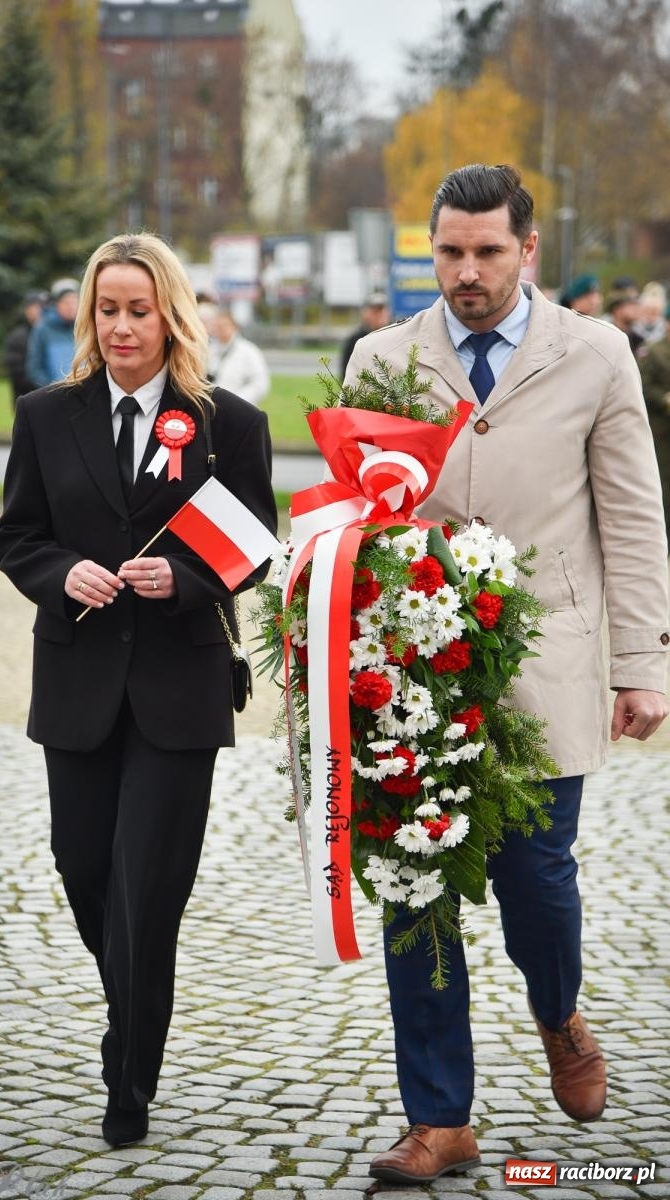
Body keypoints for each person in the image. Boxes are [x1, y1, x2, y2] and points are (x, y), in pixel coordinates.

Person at [345, 163, 669, 1188]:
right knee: (417, 894)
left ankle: (558, 1009)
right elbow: (355, 523)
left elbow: (631, 519)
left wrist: (642, 664)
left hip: (548, 665)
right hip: (414, 676)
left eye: (488, 251)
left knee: (537, 881)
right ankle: (440, 1120)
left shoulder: (598, 354)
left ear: (528, 250)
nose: (468, 271)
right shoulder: (380, 358)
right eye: (450, 251)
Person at [0, 232, 276, 1150]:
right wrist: (61, 572)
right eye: (106, 309)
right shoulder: (44, 415)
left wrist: (184, 581)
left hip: (177, 689)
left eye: (138, 310)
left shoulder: (228, 422)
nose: (121, 327)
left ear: (170, 315)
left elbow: (255, 545)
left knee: (147, 886)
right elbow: (17, 536)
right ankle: (132, 1002)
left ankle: (132, 1073)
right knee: (85, 875)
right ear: (89, 315)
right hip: (74, 685)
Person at [203, 307, 271, 406]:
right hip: (213, 407)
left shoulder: (249, 351)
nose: (221, 329)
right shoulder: (208, 350)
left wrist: (237, 401)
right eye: (218, 326)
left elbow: (261, 384)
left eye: (225, 325)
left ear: (234, 326)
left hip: (239, 408)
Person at [639, 324, 670, 538]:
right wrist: (665, 399)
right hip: (662, 432)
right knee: (664, 487)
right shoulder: (652, 351)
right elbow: (644, 385)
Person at [26, 278, 80, 388]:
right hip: (53, 395)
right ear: (56, 304)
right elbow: (34, 366)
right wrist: (50, 389)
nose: (71, 307)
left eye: (74, 302)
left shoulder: (85, 328)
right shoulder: (42, 328)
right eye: (66, 302)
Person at [4, 289, 48, 405]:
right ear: (27, 310)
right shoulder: (18, 337)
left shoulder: (56, 336)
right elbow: (17, 372)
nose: (40, 311)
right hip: (28, 398)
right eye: (36, 307)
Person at [340, 290, 391, 379]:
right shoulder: (355, 340)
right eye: (374, 311)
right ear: (365, 313)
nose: (379, 315)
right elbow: (346, 372)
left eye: (382, 310)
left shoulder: (395, 336)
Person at [605, 293, 645, 358]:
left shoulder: (638, 340)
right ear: (617, 310)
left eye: (637, 305)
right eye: (631, 305)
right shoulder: (606, 337)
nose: (636, 308)